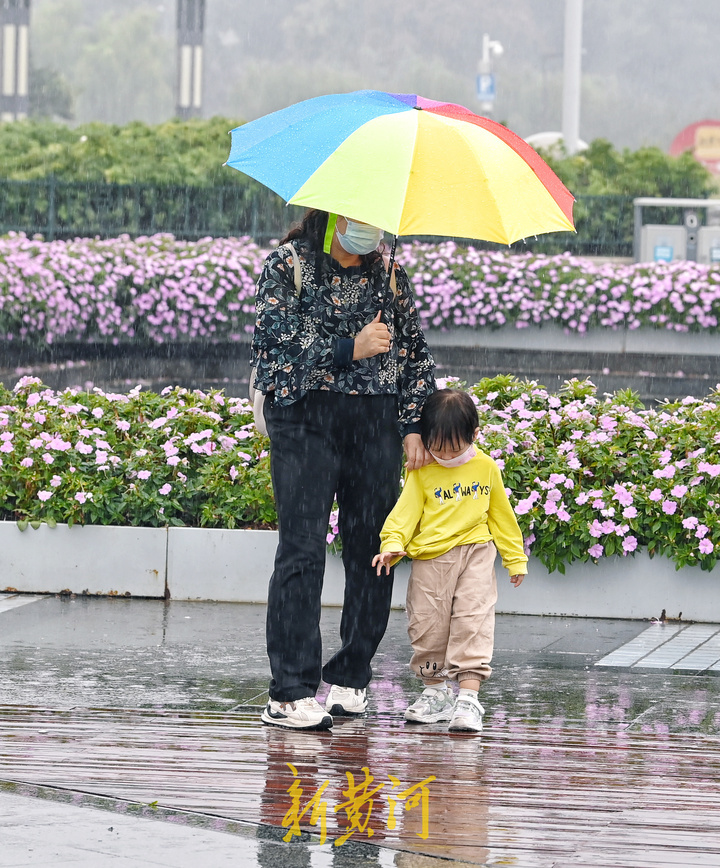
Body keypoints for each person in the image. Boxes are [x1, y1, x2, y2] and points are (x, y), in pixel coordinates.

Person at [251, 209, 436, 730]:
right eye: (359, 216)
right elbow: (272, 355)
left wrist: (413, 425)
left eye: (376, 218)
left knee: (373, 549)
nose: (368, 228)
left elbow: (414, 356)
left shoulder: (390, 275)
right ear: (332, 214)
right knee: (302, 550)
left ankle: (352, 676)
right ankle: (289, 690)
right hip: (304, 420)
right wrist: (348, 349)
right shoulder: (288, 265)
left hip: (372, 423)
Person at [372, 388, 527, 733]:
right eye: (436, 447)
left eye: (454, 448)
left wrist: (514, 558)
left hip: (476, 553)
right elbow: (405, 513)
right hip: (431, 561)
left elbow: (501, 515)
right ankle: (436, 693)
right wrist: (393, 543)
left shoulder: (486, 467)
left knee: (473, 620)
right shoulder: (422, 470)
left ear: (474, 435)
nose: (444, 455)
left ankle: (469, 700)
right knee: (427, 626)